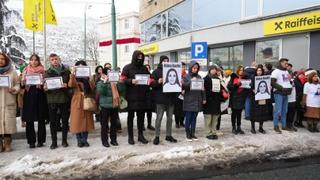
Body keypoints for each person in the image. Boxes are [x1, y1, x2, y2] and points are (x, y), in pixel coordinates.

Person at [121, 50, 149, 145]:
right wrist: (131, 81)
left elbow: (149, 78)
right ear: (134, 57)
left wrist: (149, 82)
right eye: (138, 57)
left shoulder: (144, 68)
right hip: (131, 96)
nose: (140, 59)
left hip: (142, 96)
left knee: (141, 118)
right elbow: (122, 79)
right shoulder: (127, 67)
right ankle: (130, 136)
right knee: (130, 117)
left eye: (141, 57)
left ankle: (140, 135)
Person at [44, 53, 71, 149]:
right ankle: (54, 142)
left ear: (59, 59)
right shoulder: (47, 72)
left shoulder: (66, 71)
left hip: (64, 98)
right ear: (50, 61)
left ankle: (64, 140)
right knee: (53, 122)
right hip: (52, 99)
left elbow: (71, 85)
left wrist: (67, 86)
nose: (54, 61)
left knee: (64, 121)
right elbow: (44, 87)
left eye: (56, 59)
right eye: (52, 59)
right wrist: (46, 88)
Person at [21, 54, 48, 148]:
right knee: (29, 120)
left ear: (38, 61)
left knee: (41, 119)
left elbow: (46, 83)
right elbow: (22, 85)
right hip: (29, 96)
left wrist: (44, 83)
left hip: (40, 95)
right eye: (32, 60)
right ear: (30, 61)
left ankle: (41, 140)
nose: (34, 62)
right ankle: (31, 141)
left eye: (36, 60)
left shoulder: (43, 71)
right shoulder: (25, 70)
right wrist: (23, 81)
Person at [151, 55, 178, 145]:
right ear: (161, 61)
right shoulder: (156, 72)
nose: (166, 62)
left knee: (170, 118)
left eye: (167, 60)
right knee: (159, 118)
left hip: (170, 98)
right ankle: (157, 136)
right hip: (161, 99)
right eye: (164, 60)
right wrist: (157, 82)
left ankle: (168, 135)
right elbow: (151, 84)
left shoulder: (173, 70)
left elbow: (176, 83)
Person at [68, 60, 95, 148]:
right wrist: (72, 73)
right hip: (77, 101)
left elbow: (93, 88)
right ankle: (79, 140)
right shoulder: (74, 78)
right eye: (78, 67)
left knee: (86, 121)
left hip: (87, 100)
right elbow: (70, 84)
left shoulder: (88, 78)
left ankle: (85, 140)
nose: (81, 68)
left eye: (82, 66)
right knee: (77, 121)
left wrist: (91, 79)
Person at [97, 68, 126, 147]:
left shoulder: (115, 82)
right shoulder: (100, 82)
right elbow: (101, 91)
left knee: (114, 123)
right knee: (104, 124)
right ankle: (104, 140)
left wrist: (120, 83)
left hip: (114, 105)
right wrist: (105, 82)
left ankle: (113, 139)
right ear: (104, 74)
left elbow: (122, 90)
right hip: (105, 105)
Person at [0, 53, 20, 152]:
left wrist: (14, 89)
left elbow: (18, 84)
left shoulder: (12, 72)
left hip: (9, 100)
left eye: (3, 59)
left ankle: (8, 141)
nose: (1, 60)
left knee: (8, 122)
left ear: (6, 60)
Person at [182, 61, 206, 141]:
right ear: (190, 68)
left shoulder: (199, 77)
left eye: (196, 68)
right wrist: (191, 81)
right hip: (189, 100)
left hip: (197, 100)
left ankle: (193, 133)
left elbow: (203, 89)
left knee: (194, 118)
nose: (195, 70)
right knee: (188, 118)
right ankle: (187, 133)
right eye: (194, 68)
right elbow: (183, 86)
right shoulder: (186, 77)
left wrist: (204, 98)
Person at [203, 65, 225, 140]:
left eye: (215, 69)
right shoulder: (206, 79)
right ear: (209, 70)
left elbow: (221, 89)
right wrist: (209, 93)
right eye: (212, 69)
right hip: (208, 101)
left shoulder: (218, 79)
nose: (214, 71)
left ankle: (213, 132)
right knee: (208, 118)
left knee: (215, 119)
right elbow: (203, 90)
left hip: (216, 101)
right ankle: (208, 133)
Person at [271, 58, 292, 133]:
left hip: (285, 93)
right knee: (278, 110)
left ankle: (284, 125)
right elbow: (272, 82)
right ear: (281, 63)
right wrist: (281, 88)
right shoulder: (275, 71)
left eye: (287, 63)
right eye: (285, 63)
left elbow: (286, 81)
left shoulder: (286, 71)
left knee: (284, 110)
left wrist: (289, 85)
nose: (287, 65)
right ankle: (275, 126)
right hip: (278, 93)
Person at [250, 66, 272, 134]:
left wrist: (270, 88)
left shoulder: (265, 78)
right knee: (254, 112)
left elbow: (268, 87)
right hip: (255, 98)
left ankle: (260, 127)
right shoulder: (253, 77)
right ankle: (252, 128)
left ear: (262, 71)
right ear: (256, 71)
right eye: (258, 71)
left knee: (262, 112)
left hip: (262, 98)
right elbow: (251, 86)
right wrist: (253, 90)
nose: (259, 72)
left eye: (260, 71)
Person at [228, 65, 248, 134]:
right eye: (240, 70)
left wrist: (248, 85)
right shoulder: (233, 77)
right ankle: (234, 127)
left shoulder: (245, 78)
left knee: (239, 113)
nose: (241, 71)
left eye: (242, 70)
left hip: (241, 97)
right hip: (234, 98)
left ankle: (239, 127)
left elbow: (246, 88)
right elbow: (229, 87)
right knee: (234, 114)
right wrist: (236, 85)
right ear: (238, 70)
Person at [174, 62, 186, 128]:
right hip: (177, 94)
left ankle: (182, 122)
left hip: (184, 94)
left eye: (184, 67)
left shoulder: (186, 75)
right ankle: (177, 122)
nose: (183, 68)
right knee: (177, 109)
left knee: (183, 109)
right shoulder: (176, 75)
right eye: (182, 67)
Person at [144, 64, 155, 131]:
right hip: (142, 95)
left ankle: (149, 124)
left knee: (149, 111)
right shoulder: (142, 75)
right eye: (146, 68)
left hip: (150, 95)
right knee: (142, 111)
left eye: (148, 68)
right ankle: (142, 125)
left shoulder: (151, 75)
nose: (147, 69)